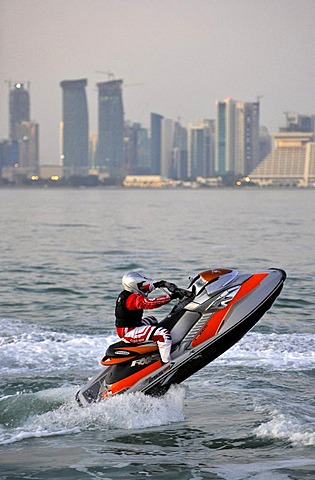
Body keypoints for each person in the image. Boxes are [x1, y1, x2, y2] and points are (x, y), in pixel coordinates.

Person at [115, 271, 181, 364]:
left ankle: (158, 345)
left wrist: (159, 284)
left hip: (132, 326)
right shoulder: (132, 298)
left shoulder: (128, 294)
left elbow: (145, 289)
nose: (143, 286)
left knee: (152, 319)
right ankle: (166, 363)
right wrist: (171, 296)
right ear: (133, 285)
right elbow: (151, 303)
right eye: (140, 285)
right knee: (163, 334)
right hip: (129, 332)